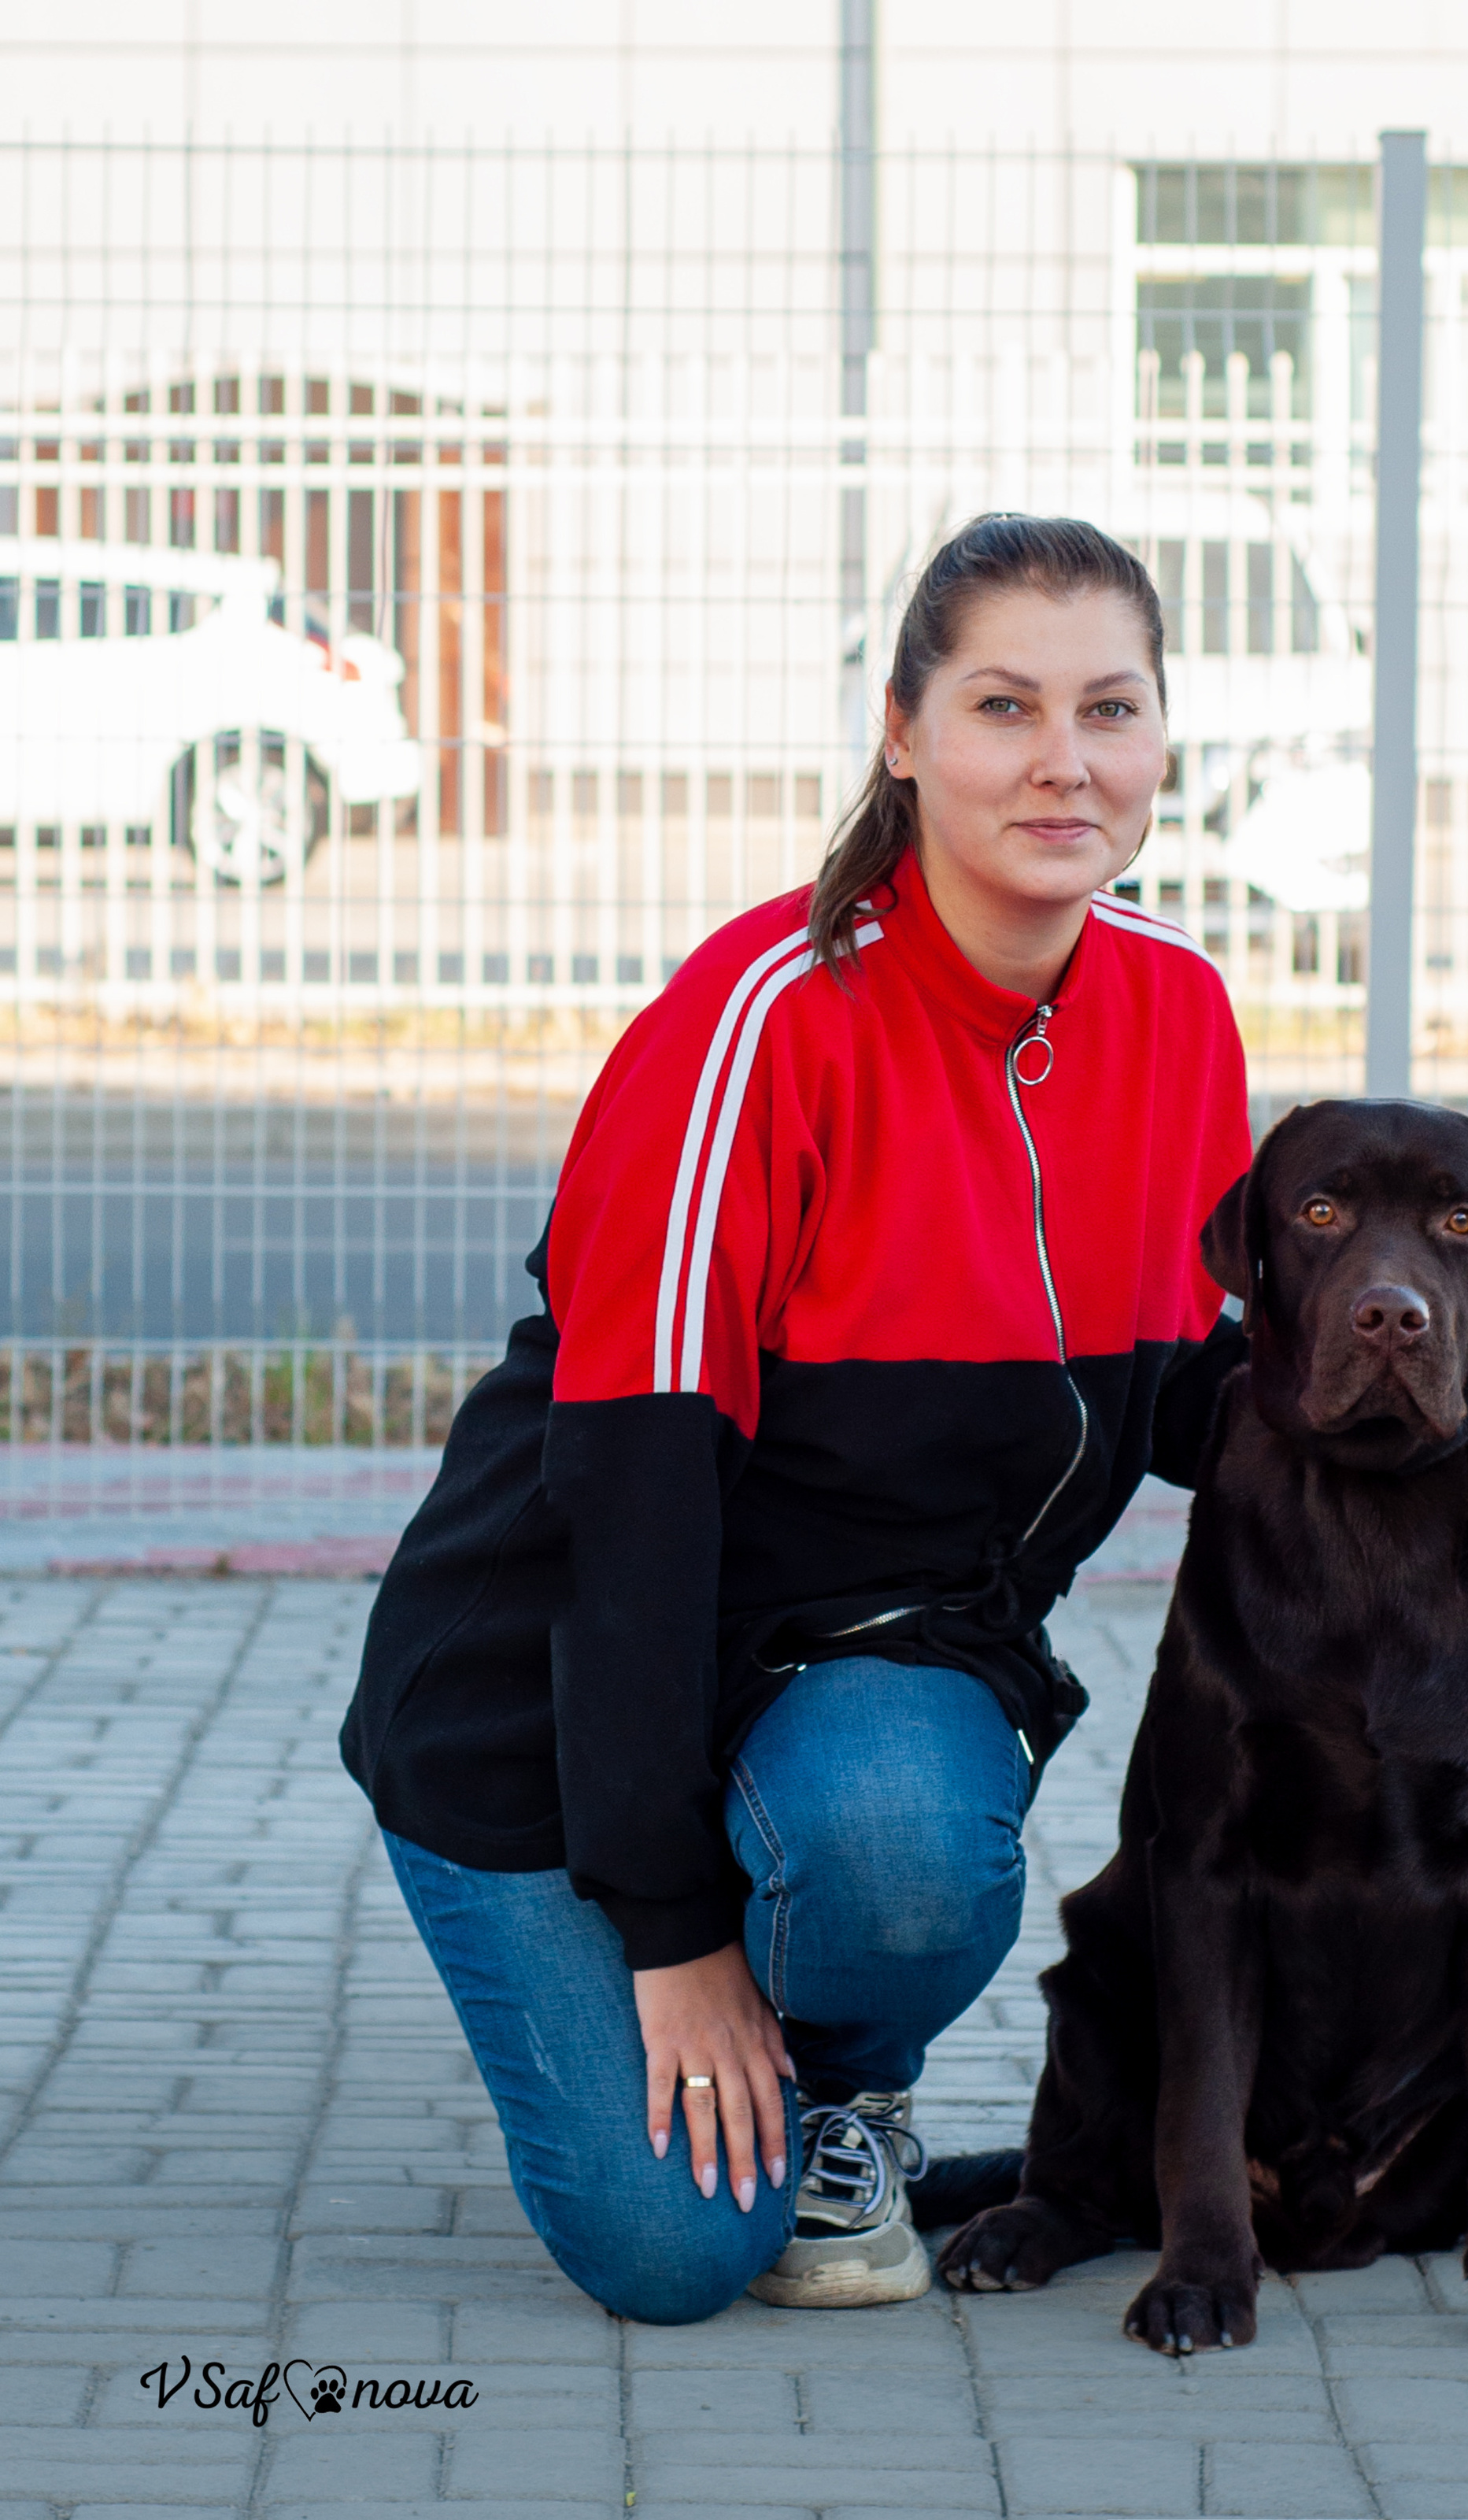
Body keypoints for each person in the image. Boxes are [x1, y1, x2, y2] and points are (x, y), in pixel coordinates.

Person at [339, 513, 1252, 2323]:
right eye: (1003, 705)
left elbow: (1180, 1393)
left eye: (1109, 708)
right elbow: (629, 1505)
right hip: (542, 1703)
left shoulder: (1179, 1013)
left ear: (1161, 741)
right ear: (901, 730)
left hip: (860, 1676)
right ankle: (679, 1950)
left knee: (902, 1852)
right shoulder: (762, 1020)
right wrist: (672, 1932)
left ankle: (840, 2084)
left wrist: (1408, 1359)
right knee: (680, 2254)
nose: (1063, 759)